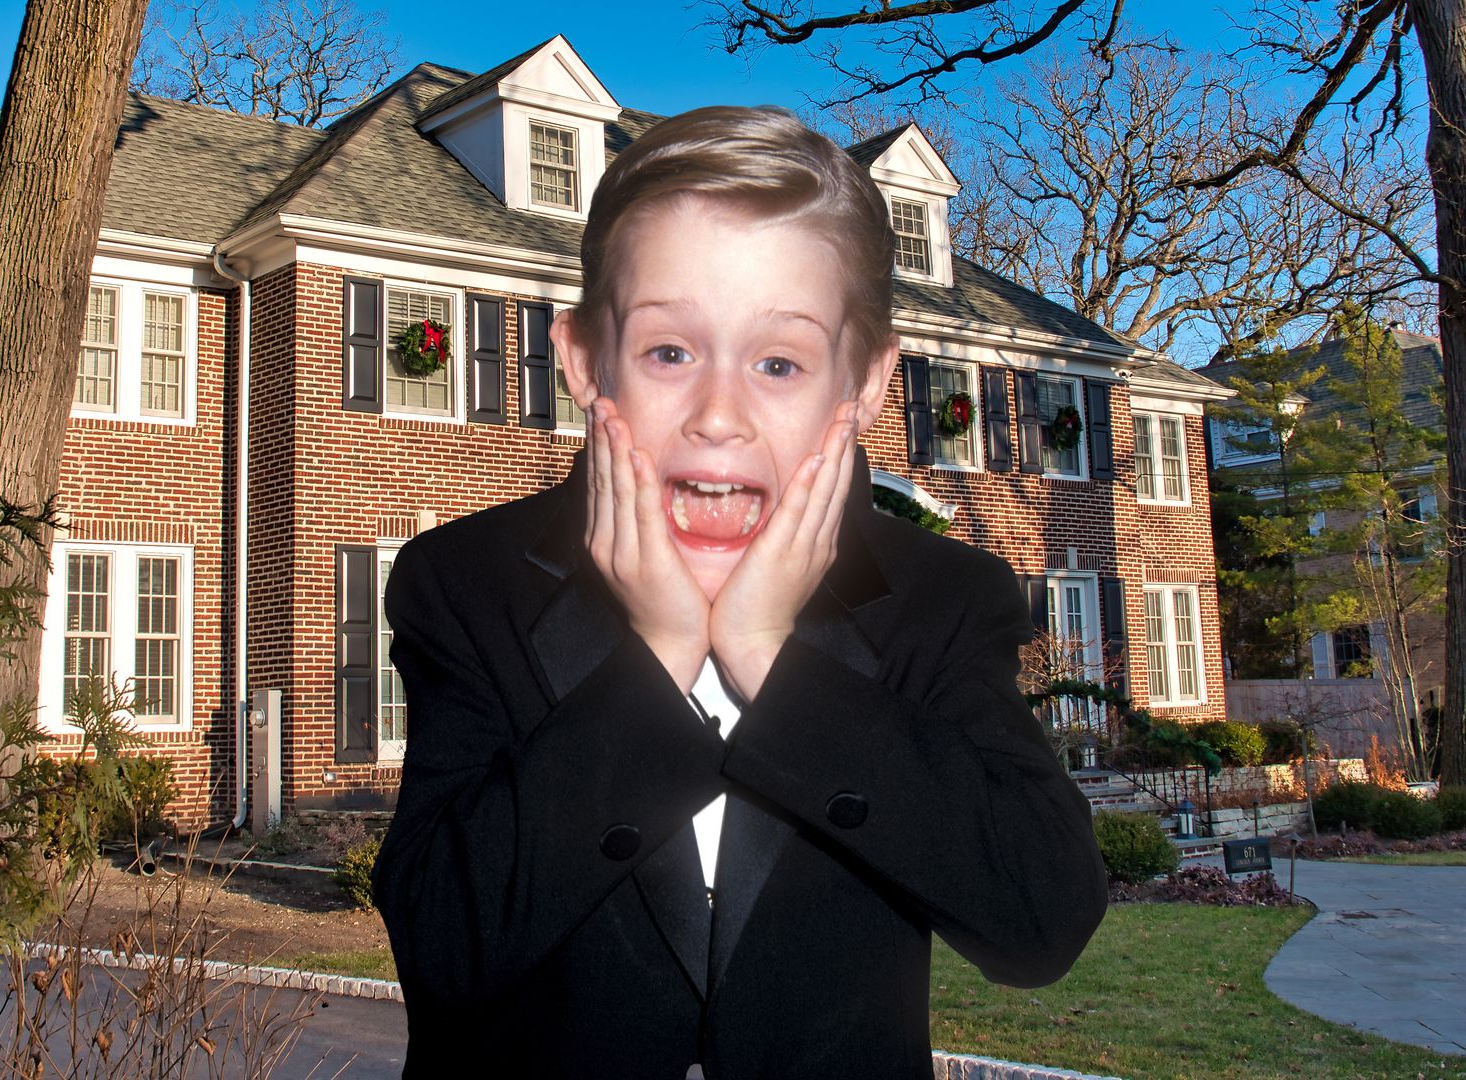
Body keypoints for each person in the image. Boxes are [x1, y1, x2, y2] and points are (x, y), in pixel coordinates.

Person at [373, 104, 1107, 1080]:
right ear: (588, 362)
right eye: (671, 351)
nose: (720, 415)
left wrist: (772, 658)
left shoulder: (938, 599)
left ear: (865, 383)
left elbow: (1042, 919)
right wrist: (656, 656)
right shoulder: (467, 585)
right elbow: (440, 944)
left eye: (779, 361)